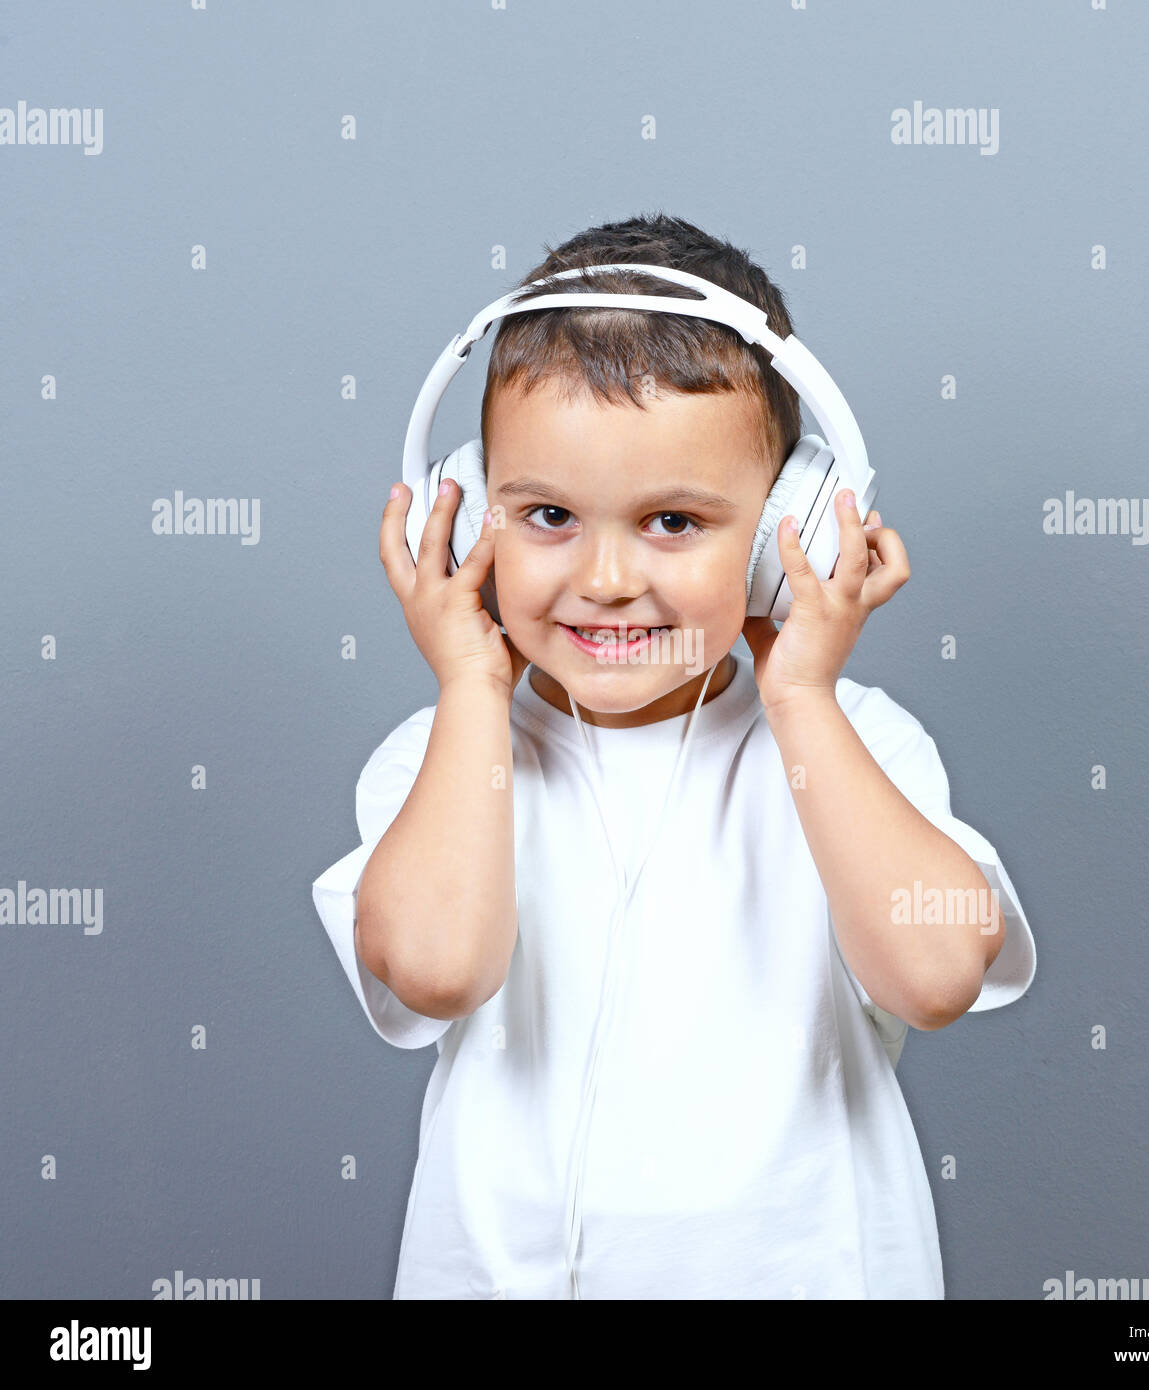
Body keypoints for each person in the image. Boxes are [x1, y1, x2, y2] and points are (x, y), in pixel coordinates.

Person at [311, 212, 1037, 1299]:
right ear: (470, 527)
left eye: (674, 521)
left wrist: (799, 692)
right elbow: (437, 966)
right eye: (548, 514)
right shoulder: (439, 760)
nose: (605, 576)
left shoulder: (853, 744)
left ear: (787, 533)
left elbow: (936, 976)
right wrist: (471, 684)